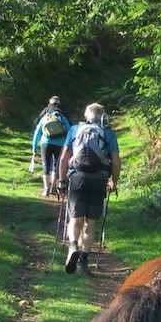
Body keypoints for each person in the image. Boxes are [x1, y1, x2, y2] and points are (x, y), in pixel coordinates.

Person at [57, 102, 120, 274]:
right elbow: (115, 161)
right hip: (99, 179)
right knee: (91, 223)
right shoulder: (108, 133)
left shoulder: (75, 129)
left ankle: (72, 246)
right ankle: (83, 262)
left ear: (86, 115)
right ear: (102, 116)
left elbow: (64, 157)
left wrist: (62, 181)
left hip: (77, 177)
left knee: (75, 218)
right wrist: (114, 181)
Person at [32, 96, 72, 197]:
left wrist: (34, 147)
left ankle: (45, 189)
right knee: (56, 166)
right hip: (60, 144)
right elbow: (70, 130)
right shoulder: (62, 117)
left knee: (46, 166)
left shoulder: (45, 117)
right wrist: (69, 145)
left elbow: (37, 132)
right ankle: (52, 188)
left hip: (46, 143)